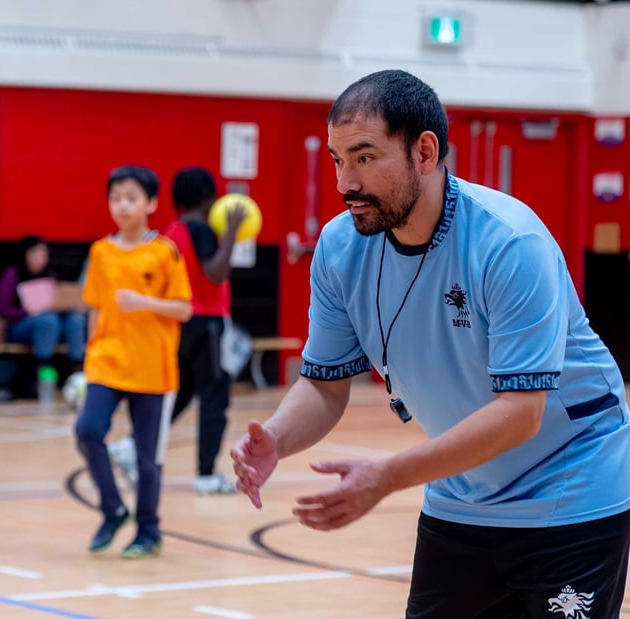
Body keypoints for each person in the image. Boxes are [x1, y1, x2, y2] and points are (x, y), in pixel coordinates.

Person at [231, 69, 630, 618]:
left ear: (424, 152)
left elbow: (520, 414)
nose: (346, 181)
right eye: (337, 159)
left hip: (572, 493)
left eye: (365, 157)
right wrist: (275, 437)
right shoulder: (339, 247)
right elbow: (323, 386)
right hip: (460, 496)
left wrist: (390, 475)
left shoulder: (510, 243)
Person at [74, 165, 192, 559]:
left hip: (152, 369)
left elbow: (183, 309)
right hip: (107, 363)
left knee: (147, 458)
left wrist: (145, 303)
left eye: (131, 197)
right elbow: (94, 308)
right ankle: (112, 510)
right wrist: (88, 358)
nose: (122, 205)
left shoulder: (164, 251)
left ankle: (148, 530)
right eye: (116, 197)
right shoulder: (100, 251)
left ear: (151, 203)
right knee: (88, 430)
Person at [109, 167, 245, 495]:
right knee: (215, 396)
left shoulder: (171, 230)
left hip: (176, 323)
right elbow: (214, 273)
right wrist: (230, 233)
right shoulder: (202, 229)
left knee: (182, 392)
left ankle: (130, 446)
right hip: (207, 323)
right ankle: (206, 474)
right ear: (209, 197)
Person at [0, 234, 87, 395]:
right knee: (47, 320)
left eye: (44, 255)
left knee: (75, 319)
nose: (40, 259)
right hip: (21, 326)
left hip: (53, 326)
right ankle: (41, 369)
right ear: (26, 254)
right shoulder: (13, 273)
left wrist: (63, 305)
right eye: (36, 254)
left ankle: (77, 369)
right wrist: (28, 312)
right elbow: (2, 308)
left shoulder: (50, 275)